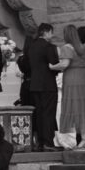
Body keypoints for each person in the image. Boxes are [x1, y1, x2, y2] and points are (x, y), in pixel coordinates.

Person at [52, 25, 85, 150]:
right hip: (84, 77)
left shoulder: (66, 48)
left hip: (72, 78)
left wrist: (51, 67)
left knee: (76, 109)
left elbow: (65, 64)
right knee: (83, 109)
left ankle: (84, 139)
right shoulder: (83, 47)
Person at [28, 23, 60, 151]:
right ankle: (48, 142)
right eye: (51, 32)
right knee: (48, 113)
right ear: (46, 32)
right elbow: (54, 64)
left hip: (35, 84)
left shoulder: (31, 46)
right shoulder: (49, 47)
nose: (52, 35)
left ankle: (40, 142)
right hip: (48, 84)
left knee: (39, 113)